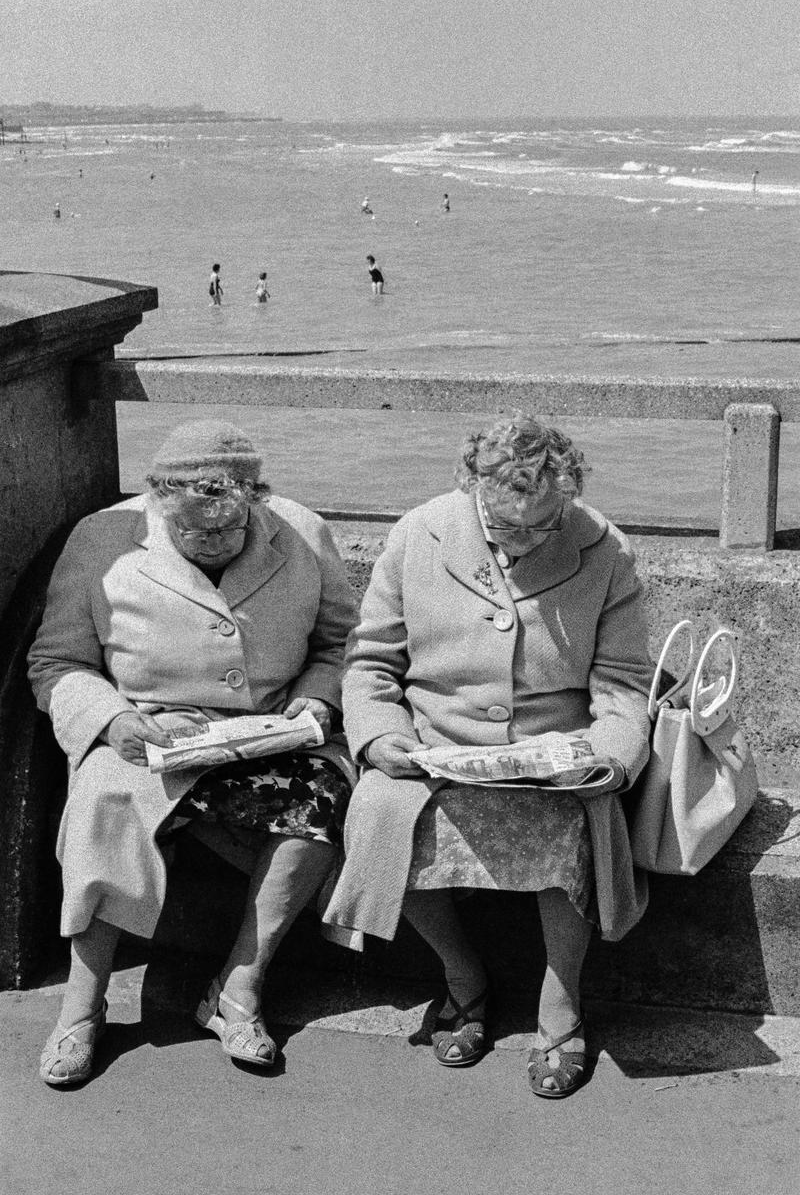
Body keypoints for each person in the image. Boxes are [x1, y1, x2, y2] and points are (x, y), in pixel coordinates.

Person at [324, 413, 653, 1098]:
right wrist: (382, 735)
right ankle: (462, 975)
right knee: (383, 810)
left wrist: (607, 759)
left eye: (547, 523)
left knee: (574, 822)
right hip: (433, 746)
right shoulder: (420, 531)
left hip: (556, 750)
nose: (531, 539)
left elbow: (623, 685)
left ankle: (560, 1006)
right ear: (473, 487)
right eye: (511, 526)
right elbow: (371, 663)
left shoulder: (605, 548)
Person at [29, 420, 358, 1086]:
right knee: (106, 797)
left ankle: (239, 987)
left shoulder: (300, 530)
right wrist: (109, 719)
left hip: (271, 729)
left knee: (323, 801)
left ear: (257, 503)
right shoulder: (100, 540)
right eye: (193, 531)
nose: (211, 543)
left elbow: (341, 641)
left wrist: (319, 700)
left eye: (226, 531)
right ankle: (81, 1007)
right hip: (151, 731)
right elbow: (57, 662)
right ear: (157, 504)